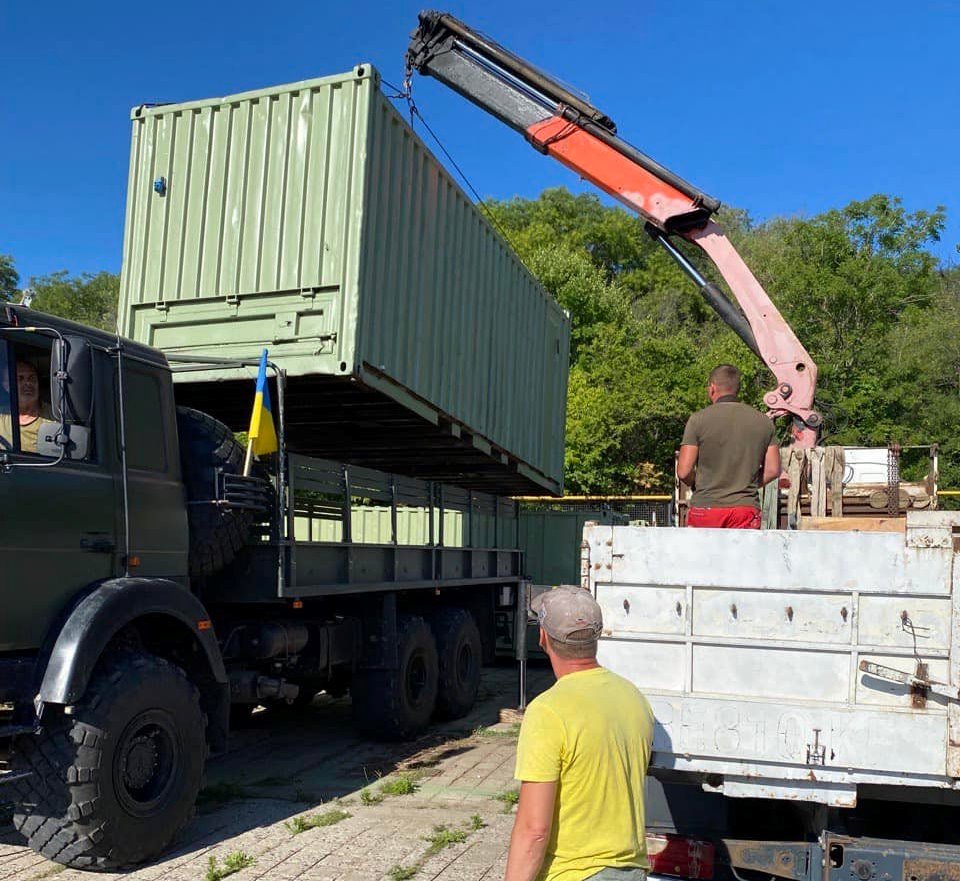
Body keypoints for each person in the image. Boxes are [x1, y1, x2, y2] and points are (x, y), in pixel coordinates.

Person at [506, 585, 654, 881]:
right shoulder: (633, 698)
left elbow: (534, 831)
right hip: (631, 872)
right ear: (596, 636)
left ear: (543, 637)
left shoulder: (548, 712)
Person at [677, 364, 780, 529]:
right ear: (737, 389)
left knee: (704, 548)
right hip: (745, 508)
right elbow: (773, 470)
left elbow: (683, 471)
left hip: (706, 507)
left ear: (712, 388)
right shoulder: (763, 422)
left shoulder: (698, 420)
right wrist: (746, 485)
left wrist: (698, 484)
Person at [0, 359, 53, 453]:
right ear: (6, 385)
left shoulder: (55, 418)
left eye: (32, 378)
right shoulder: (1, 416)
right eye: (20, 378)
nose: (28, 383)